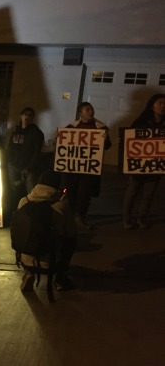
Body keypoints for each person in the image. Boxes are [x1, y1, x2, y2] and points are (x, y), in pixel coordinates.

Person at [17, 170, 77, 291]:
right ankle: (59, 278)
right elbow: (71, 232)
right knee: (71, 240)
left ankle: (28, 272)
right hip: (51, 261)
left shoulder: (24, 201)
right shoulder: (60, 206)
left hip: (24, 257)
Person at [62, 102, 111, 230]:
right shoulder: (71, 128)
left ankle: (79, 217)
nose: (91, 112)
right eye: (87, 109)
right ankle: (71, 216)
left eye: (92, 109)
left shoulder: (101, 128)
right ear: (80, 113)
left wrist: (105, 140)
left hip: (89, 169)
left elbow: (107, 146)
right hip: (73, 168)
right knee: (71, 193)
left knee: (85, 194)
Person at [122, 93, 165, 229]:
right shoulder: (140, 122)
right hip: (138, 164)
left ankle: (141, 218)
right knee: (132, 191)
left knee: (148, 193)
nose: (163, 106)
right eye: (160, 103)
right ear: (152, 105)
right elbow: (130, 139)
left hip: (155, 165)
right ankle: (127, 219)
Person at [7, 107, 45, 199]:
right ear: (21, 116)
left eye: (29, 115)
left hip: (29, 167)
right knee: (13, 189)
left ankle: (30, 209)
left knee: (31, 192)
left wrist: (29, 168)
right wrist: (9, 161)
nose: (27, 117)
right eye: (25, 114)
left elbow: (37, 152)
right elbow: (10, 147)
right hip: (14, 165)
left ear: (32, 118)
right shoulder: (16, 130)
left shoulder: (36, 133)